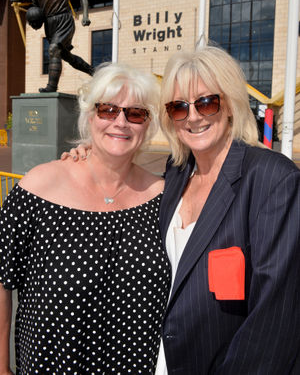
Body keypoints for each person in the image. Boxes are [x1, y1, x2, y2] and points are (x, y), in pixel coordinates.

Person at [68, 45, 300, 374]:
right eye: (179, 107)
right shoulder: (176, 173)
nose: (192, 116)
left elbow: (274, 321)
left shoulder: (272, 179)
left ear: (231, 105)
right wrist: (90, 155)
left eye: (207, 102)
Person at [0, 64, 171, 374]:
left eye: (135, 114)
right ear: (90, 117)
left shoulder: (164, 197)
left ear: (147, 125)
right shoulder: (38, 189)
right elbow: (2, 279)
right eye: (108, 110)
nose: (121, 122)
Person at [27, 0, 94, 93]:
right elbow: (36, 10)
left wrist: (85, 15)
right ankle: (92, 71)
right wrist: (34, 20)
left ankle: (51, 87)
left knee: (54, 49)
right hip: (49, 25)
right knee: (66, 56)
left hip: (64, 21)